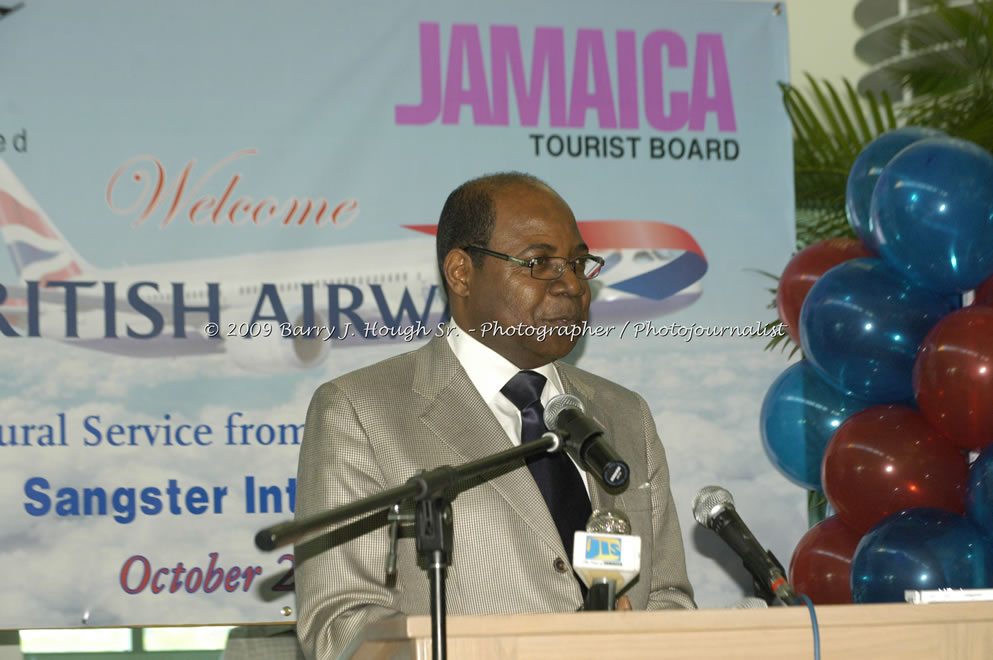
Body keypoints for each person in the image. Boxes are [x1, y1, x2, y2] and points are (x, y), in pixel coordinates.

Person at [293, 173, 695, 659]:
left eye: (577, 263)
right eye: (539, 263)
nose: (570, 285)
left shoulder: (625, 415)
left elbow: (667, 598)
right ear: (462, 272)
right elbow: (341, 626)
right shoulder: (359, 411)